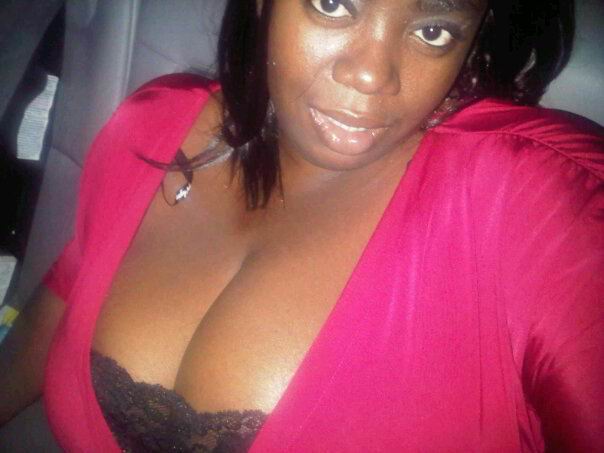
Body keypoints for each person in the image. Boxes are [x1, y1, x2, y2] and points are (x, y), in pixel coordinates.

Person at [1, 0, 603, 451]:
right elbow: (66, 293)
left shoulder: (543, 203)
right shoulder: (154, 125)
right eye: (332, 3)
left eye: (433, 30)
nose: (372, 75)